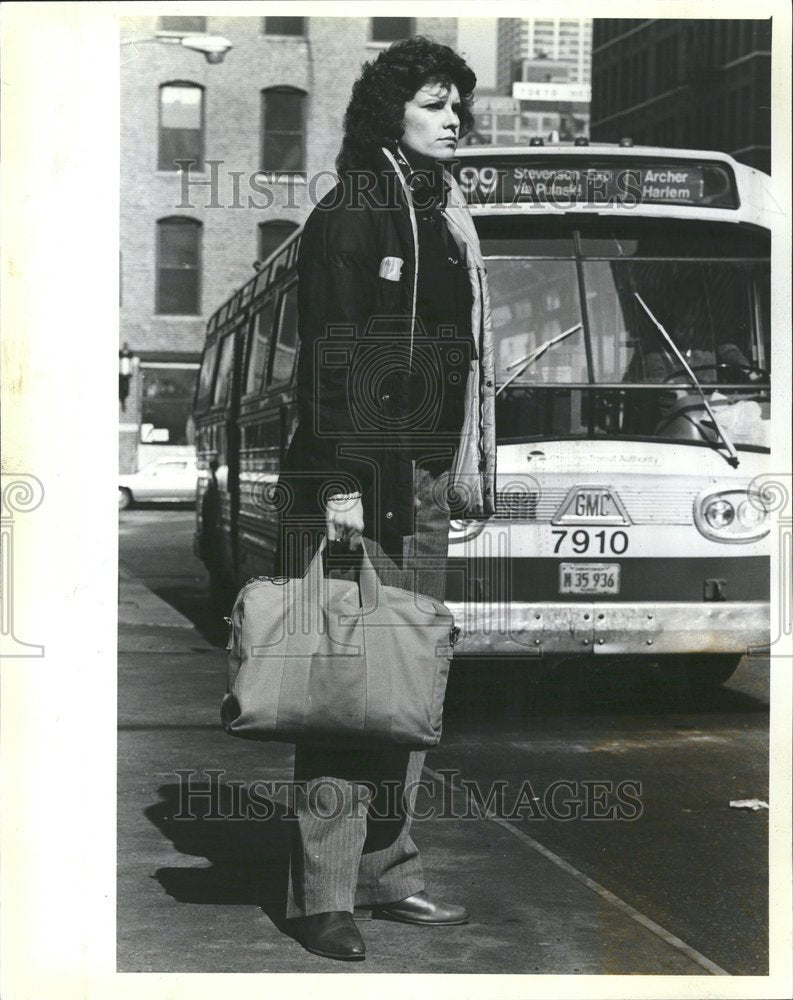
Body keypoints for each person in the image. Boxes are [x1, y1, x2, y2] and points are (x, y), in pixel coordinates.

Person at [274, 37, 496, 961]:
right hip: (365, 479)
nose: (455, 119)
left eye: (459, 105)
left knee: (404, 684)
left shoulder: (441, 211)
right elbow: (332, 350)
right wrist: (336, 488)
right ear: (390, 113)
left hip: (426, 476)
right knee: (345, 691)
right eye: (436, 103)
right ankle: (322, 896)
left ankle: (390, 873)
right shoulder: (359, 205)